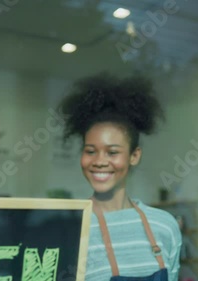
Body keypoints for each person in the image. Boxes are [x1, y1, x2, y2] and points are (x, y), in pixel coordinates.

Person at [58, 73, 182, 280]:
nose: (99, 161)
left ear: (134, 156)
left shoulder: (164, 225)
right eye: (90, 151)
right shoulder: (69, 228)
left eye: (112, 152)